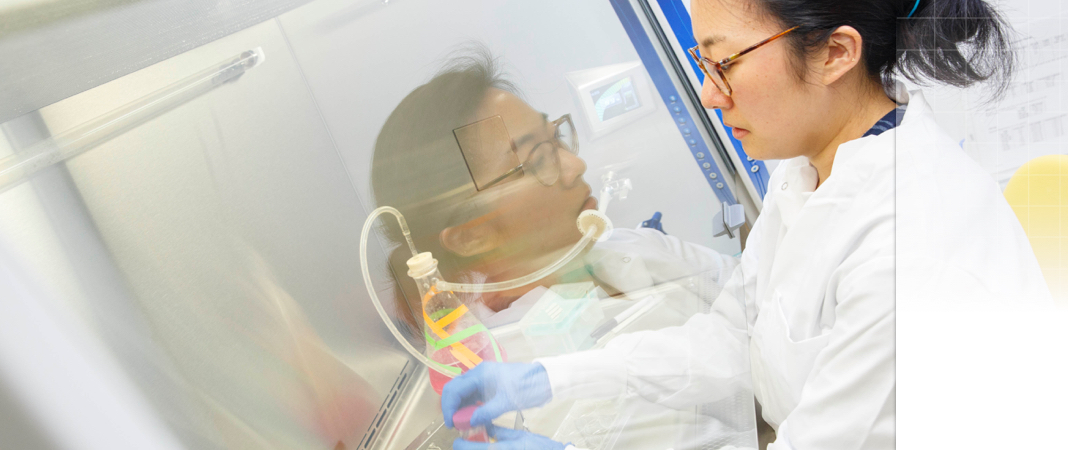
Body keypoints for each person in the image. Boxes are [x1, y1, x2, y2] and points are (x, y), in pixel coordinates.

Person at [440, 0, 1050, 449]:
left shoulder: (909, 248)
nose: (709, 94)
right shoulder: (807, 171)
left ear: (836, 53)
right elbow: (736, 336)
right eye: (700, 61)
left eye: (723, 62)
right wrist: (550, 377)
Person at [371, 48, 737, 334]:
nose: (575, 166)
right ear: (472, 237)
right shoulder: (520, 360)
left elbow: (764, 293)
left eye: (557, 138)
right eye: (539, 159)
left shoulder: (632, 246)